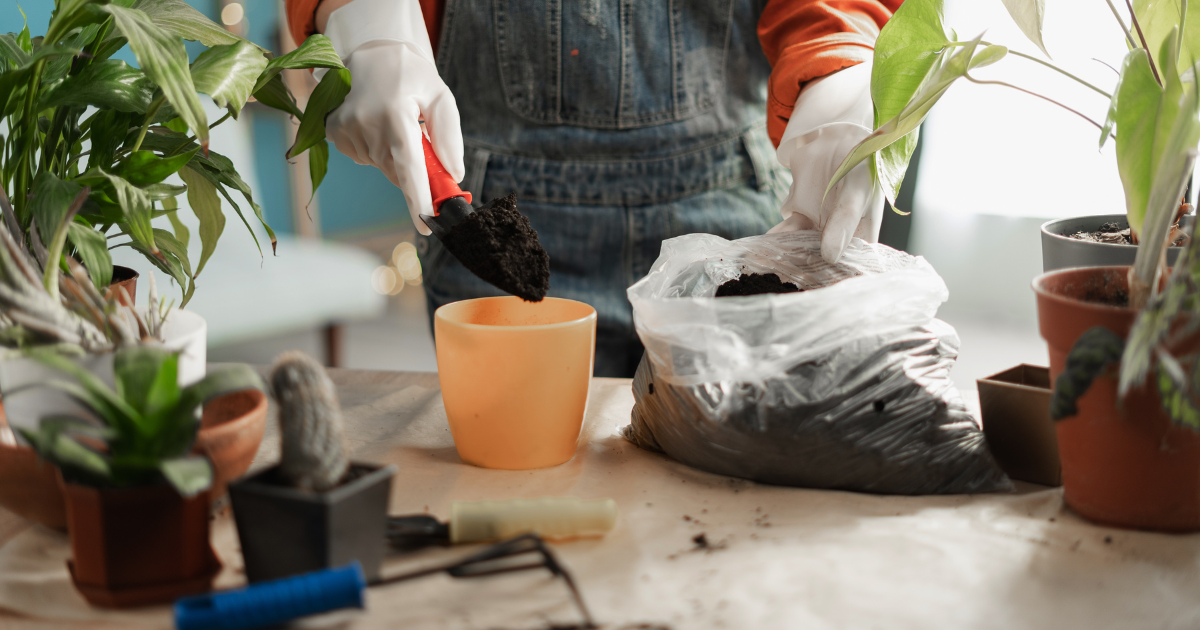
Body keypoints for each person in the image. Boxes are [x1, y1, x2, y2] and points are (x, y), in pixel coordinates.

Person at [285, 0, 902, 377]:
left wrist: (839, 49)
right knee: (515, 495)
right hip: (497, 245)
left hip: (726, 234)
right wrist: (366, 18)